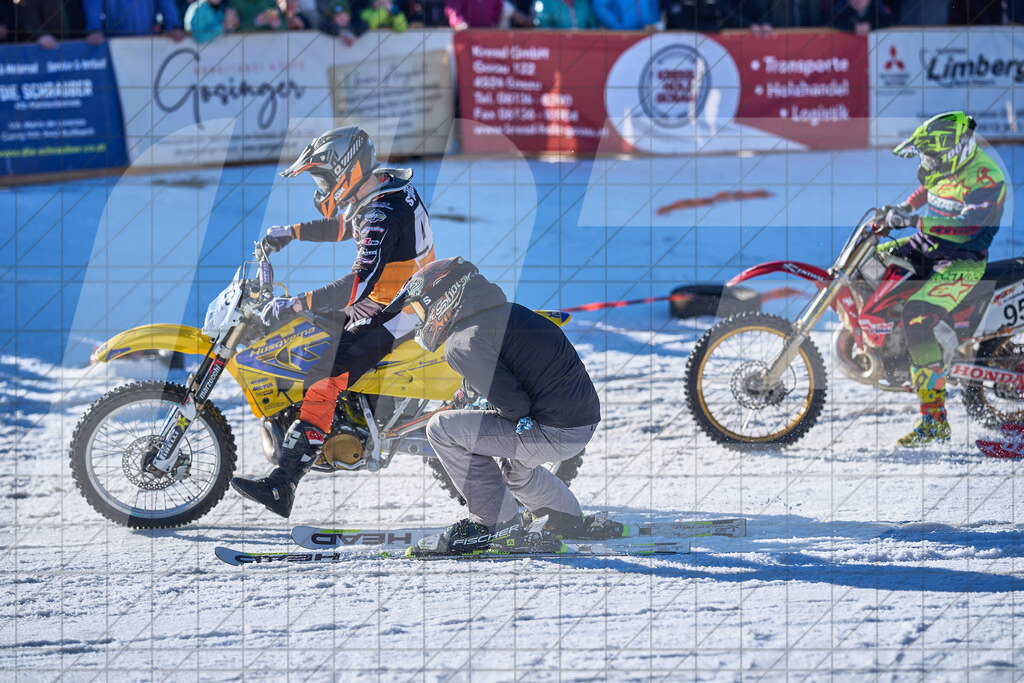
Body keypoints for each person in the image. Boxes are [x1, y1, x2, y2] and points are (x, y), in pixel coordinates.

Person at [230, 127, 435, 517]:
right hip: (389, 299)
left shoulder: (382, 211)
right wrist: (291, 233)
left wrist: (296, 303)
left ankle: (283, 484)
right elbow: (349, 228)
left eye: (322, 177)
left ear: (347, 169)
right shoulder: (379, 191)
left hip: (404, 311)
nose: (320, 186)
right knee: (311, 331)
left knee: (327, 375)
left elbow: (358, 281)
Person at [381, 257, 620, 557]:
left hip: (553, 429)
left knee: (441, 429)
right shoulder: (505, 314)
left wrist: (478, 410)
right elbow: (505, 370)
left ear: (442, 299)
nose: (421, 318)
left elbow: (514, 404)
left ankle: (494, 526)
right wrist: (470, 397)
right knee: (514, 470)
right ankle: (565, 518)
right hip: (580, 424)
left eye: (421, 309)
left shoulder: (461, 341)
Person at [875, 112, 1005, 447]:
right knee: (874, 263)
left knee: (917, 317)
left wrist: (915, 221)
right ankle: (885, 349)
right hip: (928, 244)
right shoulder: (943, 166)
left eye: (932, 156)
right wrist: (901, 208)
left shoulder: (986, 178)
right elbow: (927, 189)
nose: (928, 162)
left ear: (955, 150)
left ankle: (935, 422)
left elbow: (967, 229)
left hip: (962, 260)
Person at [83, 0, 186, 43]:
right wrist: (94, 30)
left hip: (148, 42)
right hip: (116, 44)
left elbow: (166, 4)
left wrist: (173, 26)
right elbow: (93, 7)